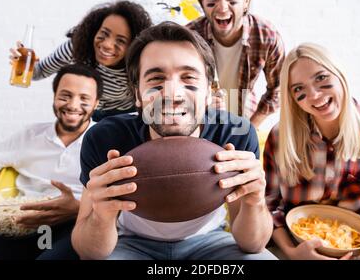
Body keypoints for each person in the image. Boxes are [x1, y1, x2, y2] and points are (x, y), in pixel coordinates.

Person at [71, 22, 276, 260]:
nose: (172, 94)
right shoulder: (106, 138)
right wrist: (101, 215)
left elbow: (253, 245)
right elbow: (88, 253)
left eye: (188, 79)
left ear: (209, 91)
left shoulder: (234, 134)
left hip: (210, 242)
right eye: (156, 81)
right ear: (137, 94)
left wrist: (255, 202)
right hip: (130, 245)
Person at [263, 43, 360, 260]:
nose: (314, 95)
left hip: (357, 251)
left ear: (339, 74)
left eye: (321, 78)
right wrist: (293, 253)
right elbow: (269, 205)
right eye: (299, 89)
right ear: (292, 99)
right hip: (292, 248)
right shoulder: (280, 137)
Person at [0, 64, 102, 260]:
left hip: (74, 224)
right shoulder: (30, 136)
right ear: (54, 97)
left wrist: (78, 207)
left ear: (96, 103)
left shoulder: (105, 139)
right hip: (18, 222)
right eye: (65, 95)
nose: (73, 105)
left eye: (84, 98)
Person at [9, 1, 152, 121]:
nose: (107, 45)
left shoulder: (138, 63)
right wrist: (23, 66)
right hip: (87, 113)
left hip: (125, 114)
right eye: (104, 33)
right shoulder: (76, 48)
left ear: (132, 45)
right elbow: (38, 73)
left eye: (120, 41)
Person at [187, 0, 285, 129]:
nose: (222, 8)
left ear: (246, 0)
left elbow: (279, 88)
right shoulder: (189, 38)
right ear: (202, 1)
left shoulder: (266, 36)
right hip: (201, 127)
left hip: (244, 122)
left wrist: (250, 128)